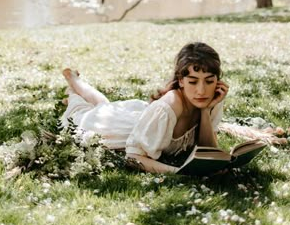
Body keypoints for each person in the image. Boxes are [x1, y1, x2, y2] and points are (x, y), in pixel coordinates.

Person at [61, 41, 231, 173]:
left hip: (138, 117)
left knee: (105, 105)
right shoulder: (168, 107)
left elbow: (208, 148)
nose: (201, 91)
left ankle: (76, 82)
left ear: (217, 80)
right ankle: (73, 87)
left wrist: (205, 111)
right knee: (88, 112)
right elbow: (133, 157)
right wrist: (181, 172)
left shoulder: (211, 97)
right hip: (115, 128)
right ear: (181, 81)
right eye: (192, 82)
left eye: (209, 81)